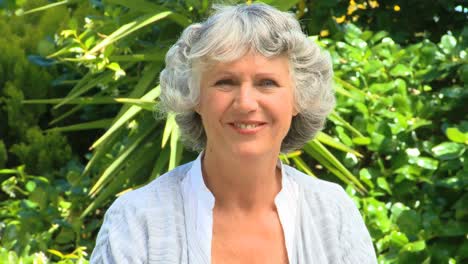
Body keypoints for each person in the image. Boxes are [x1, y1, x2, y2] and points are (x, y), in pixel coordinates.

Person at [90, 3, 377, 264]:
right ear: (194, 97)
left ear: (299, 99)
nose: (246, 103)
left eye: (267, 83)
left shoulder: (332, 213)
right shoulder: (138, 221)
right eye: (225, 82)